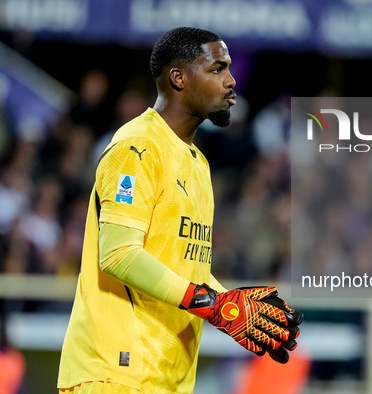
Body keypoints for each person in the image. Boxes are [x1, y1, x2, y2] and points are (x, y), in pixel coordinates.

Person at [57, 27, 303, 394]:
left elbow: (188, 272)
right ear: (179, 78)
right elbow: (119, 254)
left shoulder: (197, 164)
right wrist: (209, 303)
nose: (232, 81)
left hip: (167, 379)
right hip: (116, 374)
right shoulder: (137, 146)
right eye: (218, 69)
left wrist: (230, 308)